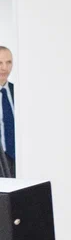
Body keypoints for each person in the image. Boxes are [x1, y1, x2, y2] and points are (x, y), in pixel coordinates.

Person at [0, 46, 15, 177]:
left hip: (17, 158)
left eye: (8, 62)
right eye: (0, 63)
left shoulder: (18, 91)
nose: (4, 67)